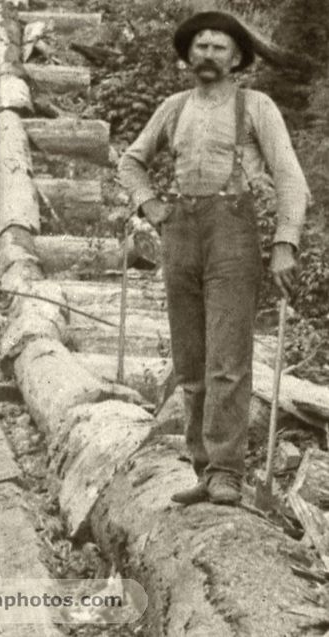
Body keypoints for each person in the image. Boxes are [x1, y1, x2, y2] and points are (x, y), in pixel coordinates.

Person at [118, 12, 309, 506]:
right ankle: (203, 469)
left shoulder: (255, 105)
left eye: (219, 48)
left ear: (237, 58)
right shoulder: (174, 106)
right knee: (190, 359)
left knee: (228, 357)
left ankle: (227, 471)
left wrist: (285, 242)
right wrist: (151, 205)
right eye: (200, 47)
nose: (207, 55)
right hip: (180, 232)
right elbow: (132, 158)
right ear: (188, 56)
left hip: (233, 235)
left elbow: (289, 176)